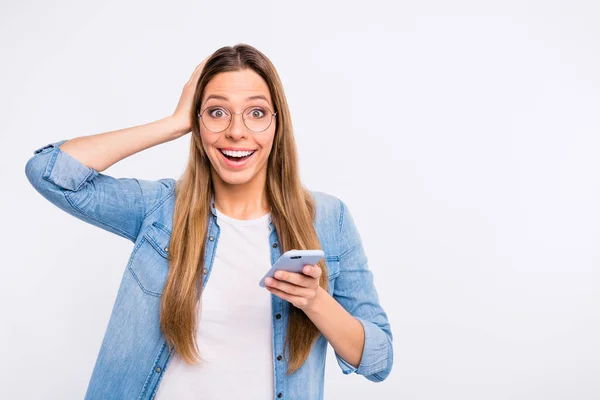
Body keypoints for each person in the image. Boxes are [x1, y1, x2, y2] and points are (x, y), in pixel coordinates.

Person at [24, 43, 393, 400]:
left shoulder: (329, 219)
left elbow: (378, 360)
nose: (236, 131)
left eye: (257, 112)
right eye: (216, 112)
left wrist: (315, 301)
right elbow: (49, 171)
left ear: (277, 125)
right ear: (198, 125)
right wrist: (172, 124)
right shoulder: (160, 208)